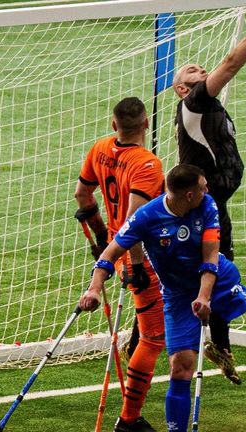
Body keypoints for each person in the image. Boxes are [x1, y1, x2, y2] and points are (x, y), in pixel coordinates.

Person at [170, 4, 246, 384]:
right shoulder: (193, 103)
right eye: (191, 70)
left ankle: (219, 346)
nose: (201, 71)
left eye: (200, 68)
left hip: (214, 207)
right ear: (180, 87)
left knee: (219, 275)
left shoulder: (210, 106)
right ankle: (146, 337)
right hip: (196, 212)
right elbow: (229, 64)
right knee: (190, 278)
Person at [79, 164, 246, 432]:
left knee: (222, 303)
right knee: (180, 368)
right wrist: (93, 288)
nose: (207, 190)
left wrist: (204, 297)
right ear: (188, 195)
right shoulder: (147, 217)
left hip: (217, 280)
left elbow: (210, 258)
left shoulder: (207, 206)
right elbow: (109, 255)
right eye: (203, 186)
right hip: (177, 296)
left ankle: (218, 341)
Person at [74, 97, 166, 432]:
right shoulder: (147, 164)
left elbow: (83, 197)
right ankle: (129, 421)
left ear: (115, 125)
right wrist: (137, 265)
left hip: (116, 247)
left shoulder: (99, 148)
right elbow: (135, 222)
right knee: (154, 337)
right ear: (146, 123)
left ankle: (130, 416)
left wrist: (101, 238)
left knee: (151, 332)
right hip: (143, 256)